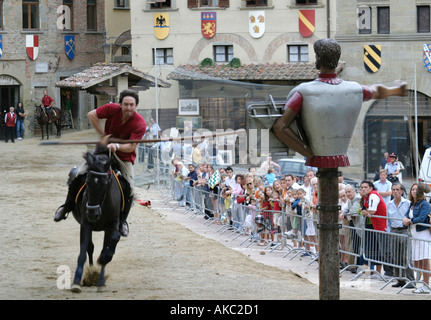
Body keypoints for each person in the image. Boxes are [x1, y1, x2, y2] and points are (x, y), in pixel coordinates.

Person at [272, 38, 406, 168]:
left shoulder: (303, 92)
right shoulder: (355, 89)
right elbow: (377, 91)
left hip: (318, 155)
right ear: (336, 60)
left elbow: (280, 127)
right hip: (340, 152)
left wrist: (307, 152)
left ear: (318, 58)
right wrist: (396, 90)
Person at [54, 89, 147, 237]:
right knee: (78, 174)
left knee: (130, 188)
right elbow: (92, 115)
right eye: (126, 104)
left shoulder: (140, 123)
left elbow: (131, 147)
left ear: (136, 106)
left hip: (124, 157)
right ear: (120, 104)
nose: (128, 108)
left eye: (132, 105)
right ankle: (66, 207)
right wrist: (103, 134)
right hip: (102, 152)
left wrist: (116, 146)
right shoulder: (112, 109)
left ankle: (122, 221)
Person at [360, 180, 392, 277]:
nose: (363, 189)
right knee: (381, 250)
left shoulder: (373, 195)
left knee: (386, 251)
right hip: (377, 226)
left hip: (382, 227)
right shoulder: (367, 197)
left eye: (365, 187)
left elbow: (372, 211)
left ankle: (389, 272)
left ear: (371, 188)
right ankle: (384, 272)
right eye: (362, 187)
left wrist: (365, 212)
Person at [403, 183, 431, 293]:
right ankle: (423, 284)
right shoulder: (412, 204)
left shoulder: (424, 204)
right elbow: (406, 214)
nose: (414, 191)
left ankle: (426, 285)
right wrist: (405, 219)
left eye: (416, 189)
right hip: (414, 234)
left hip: (422, 233)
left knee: (424, 260)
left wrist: (410, 221)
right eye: (412, 189)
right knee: (417, 261)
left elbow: (422, 218)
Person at [387, 182, 415, 288]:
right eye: (393, 190)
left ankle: (411, 280)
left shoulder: (407, 203)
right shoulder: (389, 204)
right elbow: (388, 221)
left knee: (407, 256)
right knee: (396, 257)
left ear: (402, 191)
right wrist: (389, 231)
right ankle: (400, 279)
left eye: (397, 189)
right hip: (394, 231)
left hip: (404, 231)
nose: (395, 192)